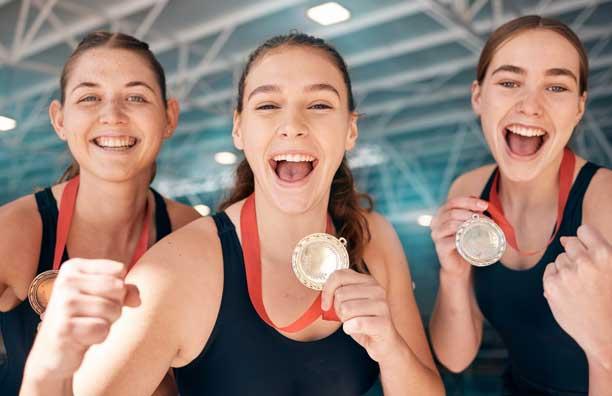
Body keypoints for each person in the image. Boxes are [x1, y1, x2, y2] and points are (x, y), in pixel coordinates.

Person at [20, 33, 445, 396]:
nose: (292, 125)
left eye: (319, 105)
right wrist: (45, 372)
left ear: (350, 129)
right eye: (267, 106)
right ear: (239, 129)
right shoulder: (176, 273)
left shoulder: (375, 241)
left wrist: (392, 348)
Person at [0, 32, 200, 396]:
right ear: (59, 119)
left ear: (169, 117)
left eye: (136, 97)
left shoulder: (192, 234)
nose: (113, 116)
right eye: (90, 97)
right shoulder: (13, 232)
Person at [428, 15, 612, 395]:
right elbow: (455, 358)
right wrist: (453, 274)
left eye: (556, 87)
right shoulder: (470, 189)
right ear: (478, 96)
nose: (531, 105)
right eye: (510, 82)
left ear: (579, 108)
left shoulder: (605, 203)